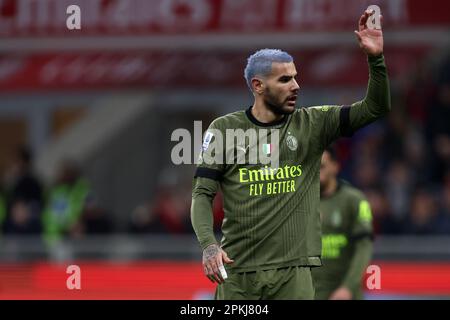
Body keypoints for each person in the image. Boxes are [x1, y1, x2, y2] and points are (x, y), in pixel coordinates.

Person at [191, 9, 390, 299]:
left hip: (293, 274)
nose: (296, 86)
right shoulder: (224, 130)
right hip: (237, 274)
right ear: (258, 86)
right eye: (284, 80)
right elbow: (202, 194)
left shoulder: (313, 124)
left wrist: (376, 59)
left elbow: (376, 108)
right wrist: (209, 245)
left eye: (295, 78)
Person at [312, 147, 373, 300]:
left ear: (335, 167)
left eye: (322, 166)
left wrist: (347, 287)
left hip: (344, 294)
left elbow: (364, 248)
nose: (316, 172)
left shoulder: (354, 200)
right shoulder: (301, 202)